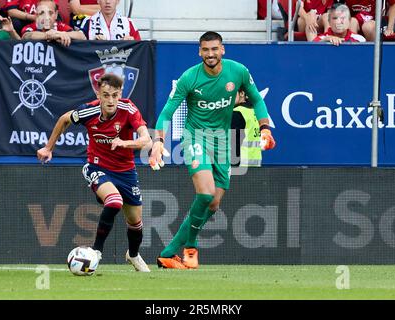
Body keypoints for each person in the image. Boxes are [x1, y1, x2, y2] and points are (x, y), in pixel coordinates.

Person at [149, 31, 276, 269]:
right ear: (199, 52)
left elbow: (257, 100)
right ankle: (191, 247)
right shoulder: (189, 78)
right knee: (205, 194)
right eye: (205, 50)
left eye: (214, 49)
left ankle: (167, 254)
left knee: (214, 204)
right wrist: (158, 141)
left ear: (222, 49)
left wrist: (265, 128)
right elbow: (167, 111)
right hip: (195, 137)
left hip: (222, 141)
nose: (210, 54)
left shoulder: (238, 71)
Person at [37, 73, 151, 272]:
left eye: (115, 95)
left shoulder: (128, 109)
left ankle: (133, 255)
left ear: (120, 94)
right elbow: (65, 119)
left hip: (126, 171)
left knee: (135, 221)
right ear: (98, 94)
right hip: (97, 166)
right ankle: (96, 251)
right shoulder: (87, 111)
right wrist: (48, 148)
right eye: (106, 95)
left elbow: (146, 139)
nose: (111, 100)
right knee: (114, 201)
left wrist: (125, 143)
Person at [21, 0, 86, 47]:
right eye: (42, 13)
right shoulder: (33, 26)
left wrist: (61, 34)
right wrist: (49, 36)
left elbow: (82, 36)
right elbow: (26, 36)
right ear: (37, 14)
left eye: (50, 13)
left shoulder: (60, 26)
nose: (46, 17)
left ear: (56, 14)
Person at [231, 89, 262, 167]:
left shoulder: (237, 113)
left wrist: (232, 165)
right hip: (255, 164)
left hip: (240, 166)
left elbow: (234, 143)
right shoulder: (255, 111)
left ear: (242, 93)